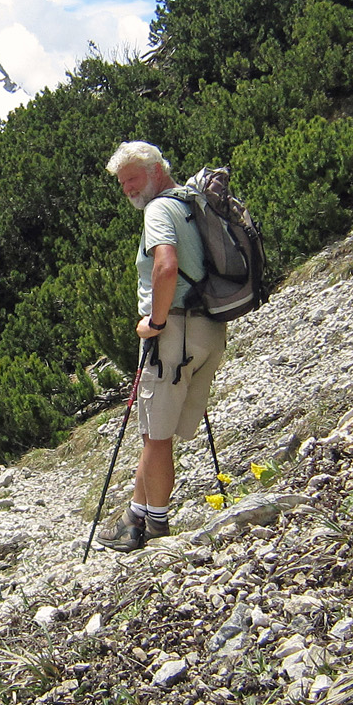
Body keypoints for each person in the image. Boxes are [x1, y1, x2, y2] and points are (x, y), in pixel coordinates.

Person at [97, 141, 229, 552]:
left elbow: (166, 266)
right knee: (159, 432)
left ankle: (153, 526)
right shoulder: (194, 202)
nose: (127, 190)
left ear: (156, 171)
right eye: (121, 184)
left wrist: (154, 323)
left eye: (132, 179)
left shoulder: (158, 210)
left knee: (156, 435)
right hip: (209, 330)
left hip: (174, 334)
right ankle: (136, 512)